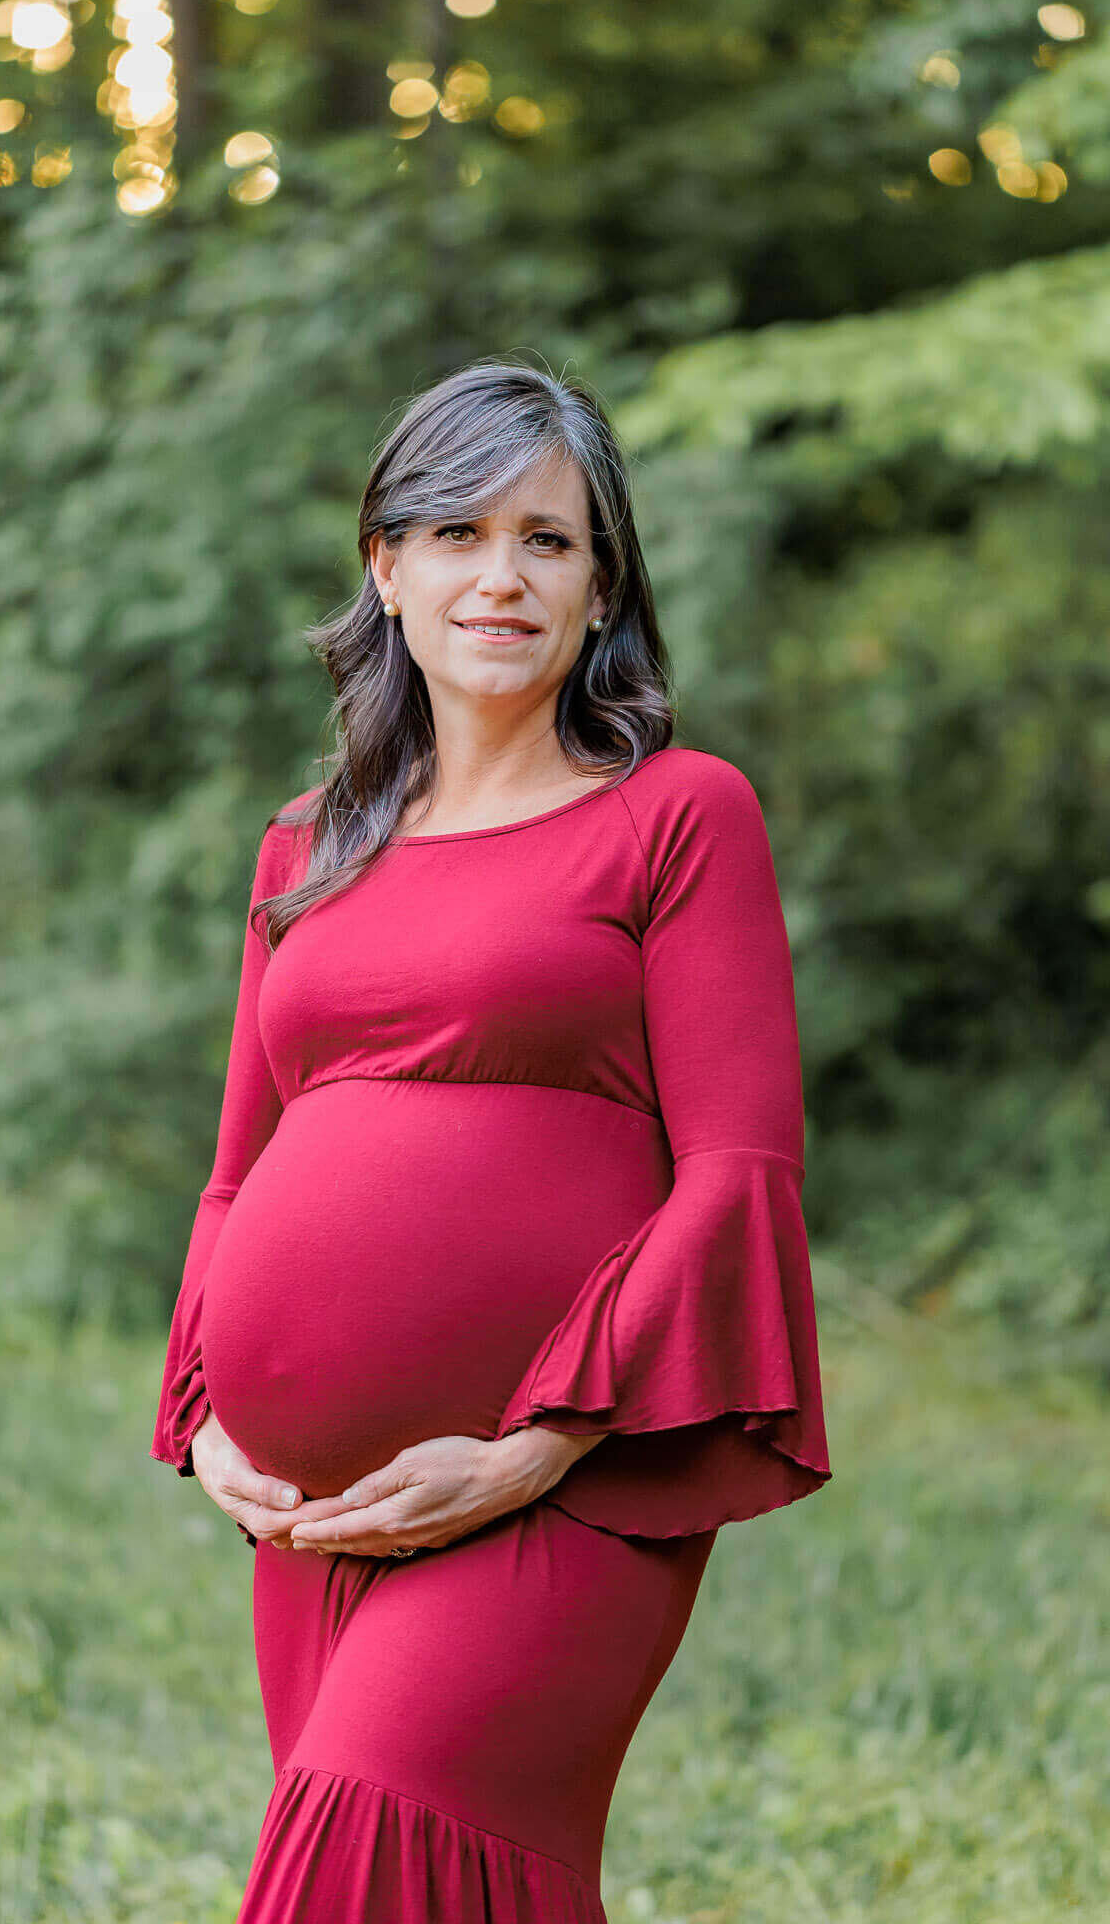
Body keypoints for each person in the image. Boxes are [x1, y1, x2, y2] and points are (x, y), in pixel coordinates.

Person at [149, 356, 832, 1922]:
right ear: (385, 571)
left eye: (549, 539)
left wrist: (542, 1441)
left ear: (602, 591)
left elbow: (738, 1174)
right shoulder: (302, 852)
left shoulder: (677, 815)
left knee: (368, 1847)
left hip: (569, 1480)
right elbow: (238, 1171)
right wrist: (211, 1419)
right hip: (310, 1510)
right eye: (456, 533)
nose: (500, 575)